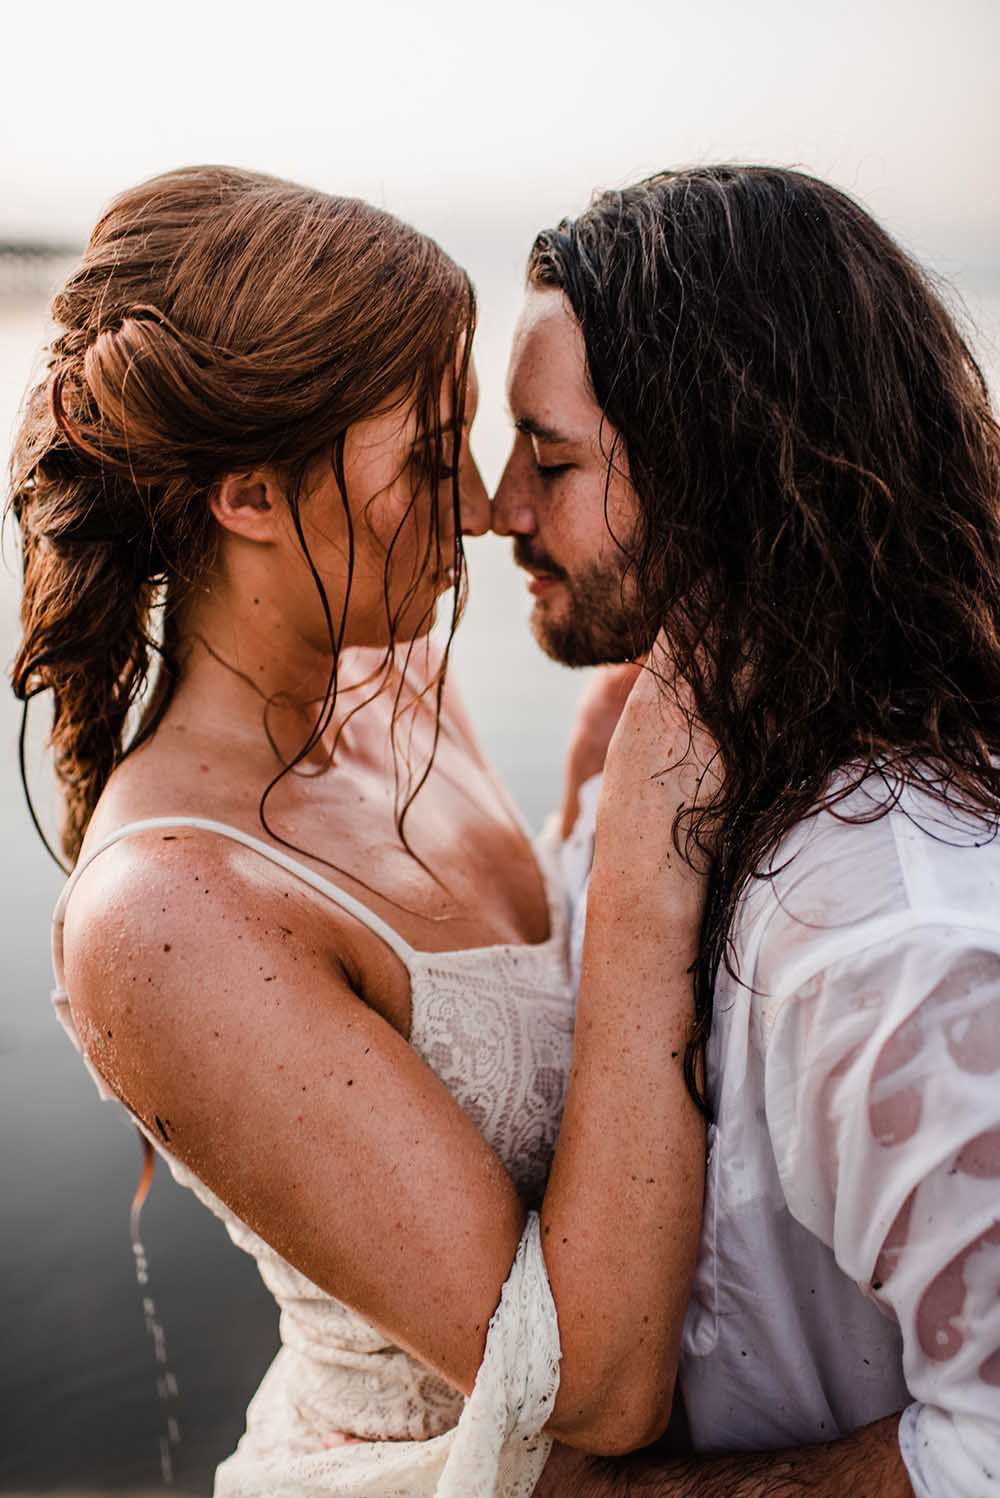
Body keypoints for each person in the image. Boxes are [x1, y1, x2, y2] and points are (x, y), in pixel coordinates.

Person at [9, 165, 710, 1497]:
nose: (484, 506)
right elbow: (598, 1391)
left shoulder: (400, 679)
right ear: (247, 496)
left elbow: (532, 1013)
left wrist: (582, 815)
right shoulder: (168, 909)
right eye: (433, 457)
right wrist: (651, 865)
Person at [492, 165, 1000, 1497]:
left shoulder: (892, 939)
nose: (499, 507)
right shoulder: (676, 763)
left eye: (549, 459)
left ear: (720, 478)